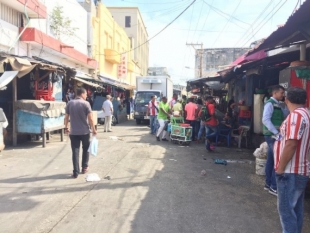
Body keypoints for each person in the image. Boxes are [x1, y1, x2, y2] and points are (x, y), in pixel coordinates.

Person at [274, 87, 310, 233]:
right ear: (305, 100)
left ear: (286, 100)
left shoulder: (296, 116)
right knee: (295, 209)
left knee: (286, 212)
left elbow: (291, 143)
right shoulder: (306, 114)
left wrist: (280, 168)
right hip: (299, 170)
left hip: (290, 171)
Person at [64, 88, 97, 178]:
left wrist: (66, 127)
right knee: (86, 149)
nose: (86, 96)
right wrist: (94, 129)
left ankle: (75, 172)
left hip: (73, 132)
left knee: (75, 151)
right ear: (82, 94)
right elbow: (90, 118)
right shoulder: (86, 104)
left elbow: (66, 117)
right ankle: (84, 167)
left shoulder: (70, 103)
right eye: (86, 94)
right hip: (85, 132)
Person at [262, 85, 286, 196]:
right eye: (281, 92)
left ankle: (268, 184)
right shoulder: (270, 104)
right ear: (275, 93)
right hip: (272, 135)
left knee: (271, 160)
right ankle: (273, 186)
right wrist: (276, 133)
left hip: (273, 135)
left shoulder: (277, 104)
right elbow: (265, 119)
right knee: (276, 160)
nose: (283, 95)